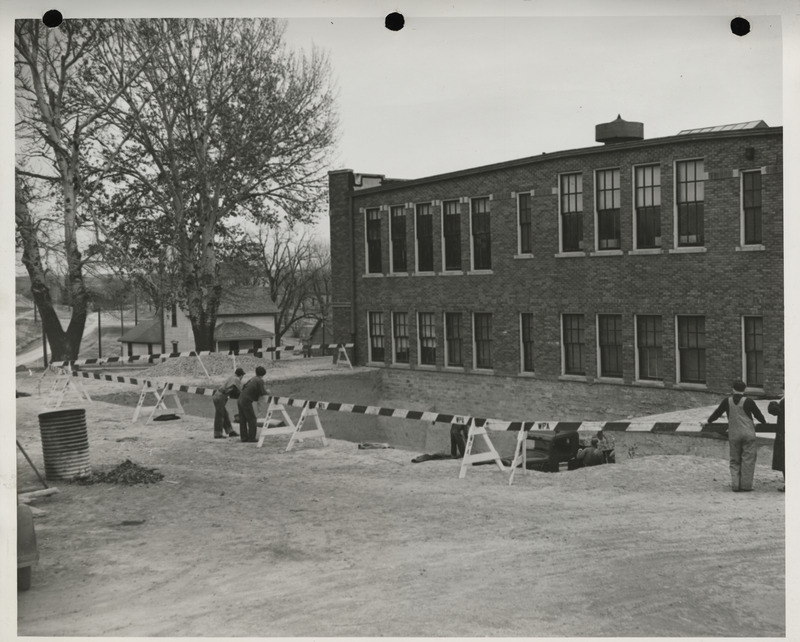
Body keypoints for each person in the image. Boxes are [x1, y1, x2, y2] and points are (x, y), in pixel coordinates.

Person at [707, 380, 766, 492]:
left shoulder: (727, 401)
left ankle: (735, 485)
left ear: (732, 389)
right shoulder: (749, 401)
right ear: (744, 389)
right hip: (748, 434)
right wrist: (763, 423)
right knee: (748, 460)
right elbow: (759, 416)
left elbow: (717, 413)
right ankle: (746, 486)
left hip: (734, 434)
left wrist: (708, 421)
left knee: (734, 460)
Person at [237, 365, 271, 443]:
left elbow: (244, 387)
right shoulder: (260, 380)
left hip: (240, 399)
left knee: (243, 419)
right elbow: (262, 392)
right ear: (263, 374)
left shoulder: (252, 379)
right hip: (246, 401)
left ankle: (244, 437)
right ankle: (251, 438)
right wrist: (268, 391)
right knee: (252, 419)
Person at [212, 367, 244, 439]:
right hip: (220, 397)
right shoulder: (236, 379)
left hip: (218, 396)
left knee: (225, 414)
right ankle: (217, 434)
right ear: (241, 375)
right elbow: (241, 390)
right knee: (219, 416)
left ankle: (230, 431)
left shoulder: (232, 377)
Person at [768, 395, 785, 492]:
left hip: (784, 434)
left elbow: (774, 411)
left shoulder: (784, 401)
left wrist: (773, 404)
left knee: (784, 460)